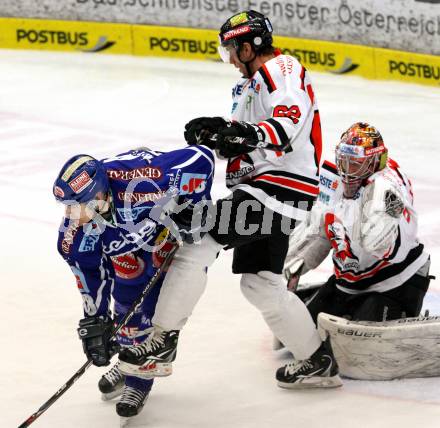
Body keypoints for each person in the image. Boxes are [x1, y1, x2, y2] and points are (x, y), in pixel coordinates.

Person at [118, 10, 342, 390]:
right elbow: (245, 144)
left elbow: (284, 126)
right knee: (260, 284)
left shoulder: (281, 68)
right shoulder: (248, 86)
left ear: (249, 45)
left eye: (231, 50)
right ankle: (317, 361)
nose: (231, 60)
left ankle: (162, 341)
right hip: (267, 192)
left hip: (276, 190)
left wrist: (240, 133)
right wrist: (218, 134)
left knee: (197, 241)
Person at [54, 145, 214, 422]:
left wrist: (195, 207)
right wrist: (96, 321)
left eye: (75, 205)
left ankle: (139, 380)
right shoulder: (74, 236)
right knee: (125, 302)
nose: (70, 215)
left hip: (159, 235)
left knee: (150, 309)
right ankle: (127, 357)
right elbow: (91, 276)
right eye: (67, 206)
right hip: (126, 244)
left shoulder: (144, 181)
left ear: (98, 196)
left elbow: (203, 158)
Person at [284, 122, 432, 325]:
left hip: (395, 282)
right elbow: (321, 230)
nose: (346, 170)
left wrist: (363, 216)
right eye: (344, 161)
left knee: (364, 346)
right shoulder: (334, 180)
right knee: (297, 331)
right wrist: (298, 262)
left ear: (374, 162)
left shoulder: (387, 187)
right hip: (349, 282)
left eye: (355, 163)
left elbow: (377, 245)